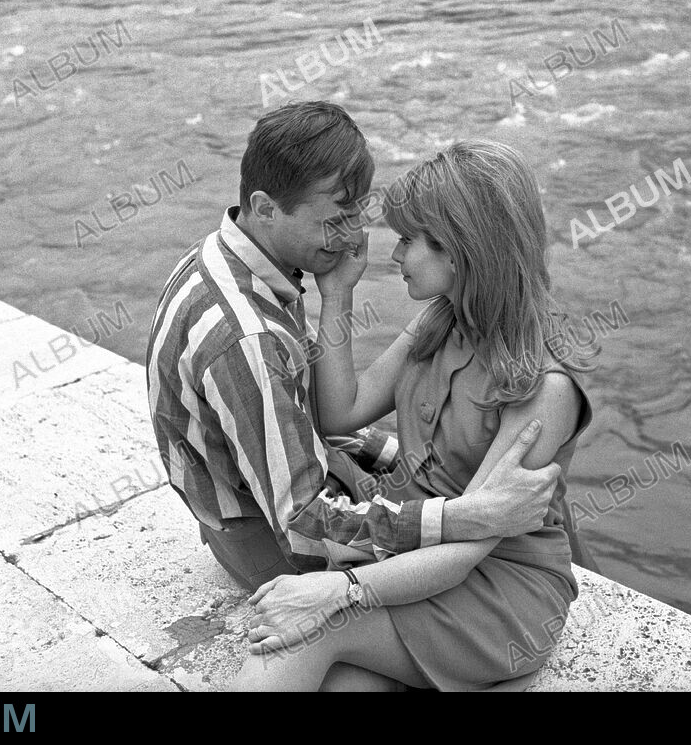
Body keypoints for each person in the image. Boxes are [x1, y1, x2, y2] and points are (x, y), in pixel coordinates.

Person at [146, 103, 563, 613]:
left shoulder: (225, 261)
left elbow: (301, 420)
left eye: (355, 216)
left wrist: (336, 296)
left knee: (531, 523)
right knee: (503, 543)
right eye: (335, 220)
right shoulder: (247, 337)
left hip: (249, 514)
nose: (351, 240)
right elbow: (305, 526)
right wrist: (462, 515)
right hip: (275, 549)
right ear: (266, 207)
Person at [231, 138, 595, 691]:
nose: (394, 256)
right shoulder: (438, 323)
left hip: (498, 591)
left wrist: (344, 589)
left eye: (407, 240)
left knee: (301, 633)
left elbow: (474, 541)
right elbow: (341, 413)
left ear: (461, 250)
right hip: (418, 556)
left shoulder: (544, 390)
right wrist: (336, 295)